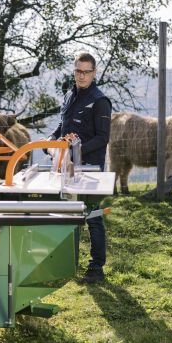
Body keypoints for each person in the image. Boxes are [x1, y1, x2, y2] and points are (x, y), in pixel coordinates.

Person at [47, 51, 112, 284]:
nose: (82, 75)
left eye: (86, 72)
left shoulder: (100, 100)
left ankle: (96, 268)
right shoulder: (69, 95)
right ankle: (65, 264)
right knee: (67, 214)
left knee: (93, 215)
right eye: (78, 71)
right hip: (66, 167)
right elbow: (61, 126)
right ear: (73, 71)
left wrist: (78, 149)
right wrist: (51, 142)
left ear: (94, 73)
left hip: (90, 169)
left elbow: (103, 137)